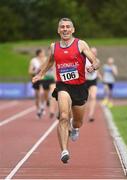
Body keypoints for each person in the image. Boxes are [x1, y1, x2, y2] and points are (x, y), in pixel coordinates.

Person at [32, 18, 100, 163]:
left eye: (68, 27)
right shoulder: (54, 47)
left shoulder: (80, 44)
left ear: (73, 30)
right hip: (63, 86)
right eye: (62, 27)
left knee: (77, 122)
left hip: (80, 88)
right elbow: (50, 61)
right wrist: (41, 74)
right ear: (58, 30)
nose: (65, 29)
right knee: (63, 116)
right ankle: (64, 150)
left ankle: (74, 128)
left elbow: (96, 61)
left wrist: (93, 66)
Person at [29, 49, 47, 118]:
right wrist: (36, 71)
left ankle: (43, 105)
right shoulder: (33, 60)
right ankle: (38, 110)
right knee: (37, 96)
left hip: (44, 78)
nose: (44, 53)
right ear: (39, 54)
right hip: (36, 78)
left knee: (42, 93)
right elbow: (30, 71)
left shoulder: (46, 59)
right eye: (42, 52)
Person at [85, 47, 102, 122]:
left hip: (93, 81)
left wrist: (100, 76)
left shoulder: (97, 61)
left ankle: (91, 115)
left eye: (95, 52)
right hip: (85, 81)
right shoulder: (85, 60)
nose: (94, 53)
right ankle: (80, 113)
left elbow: (97, 70)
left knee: (93, 96)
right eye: (93, 52)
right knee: (84, 99)